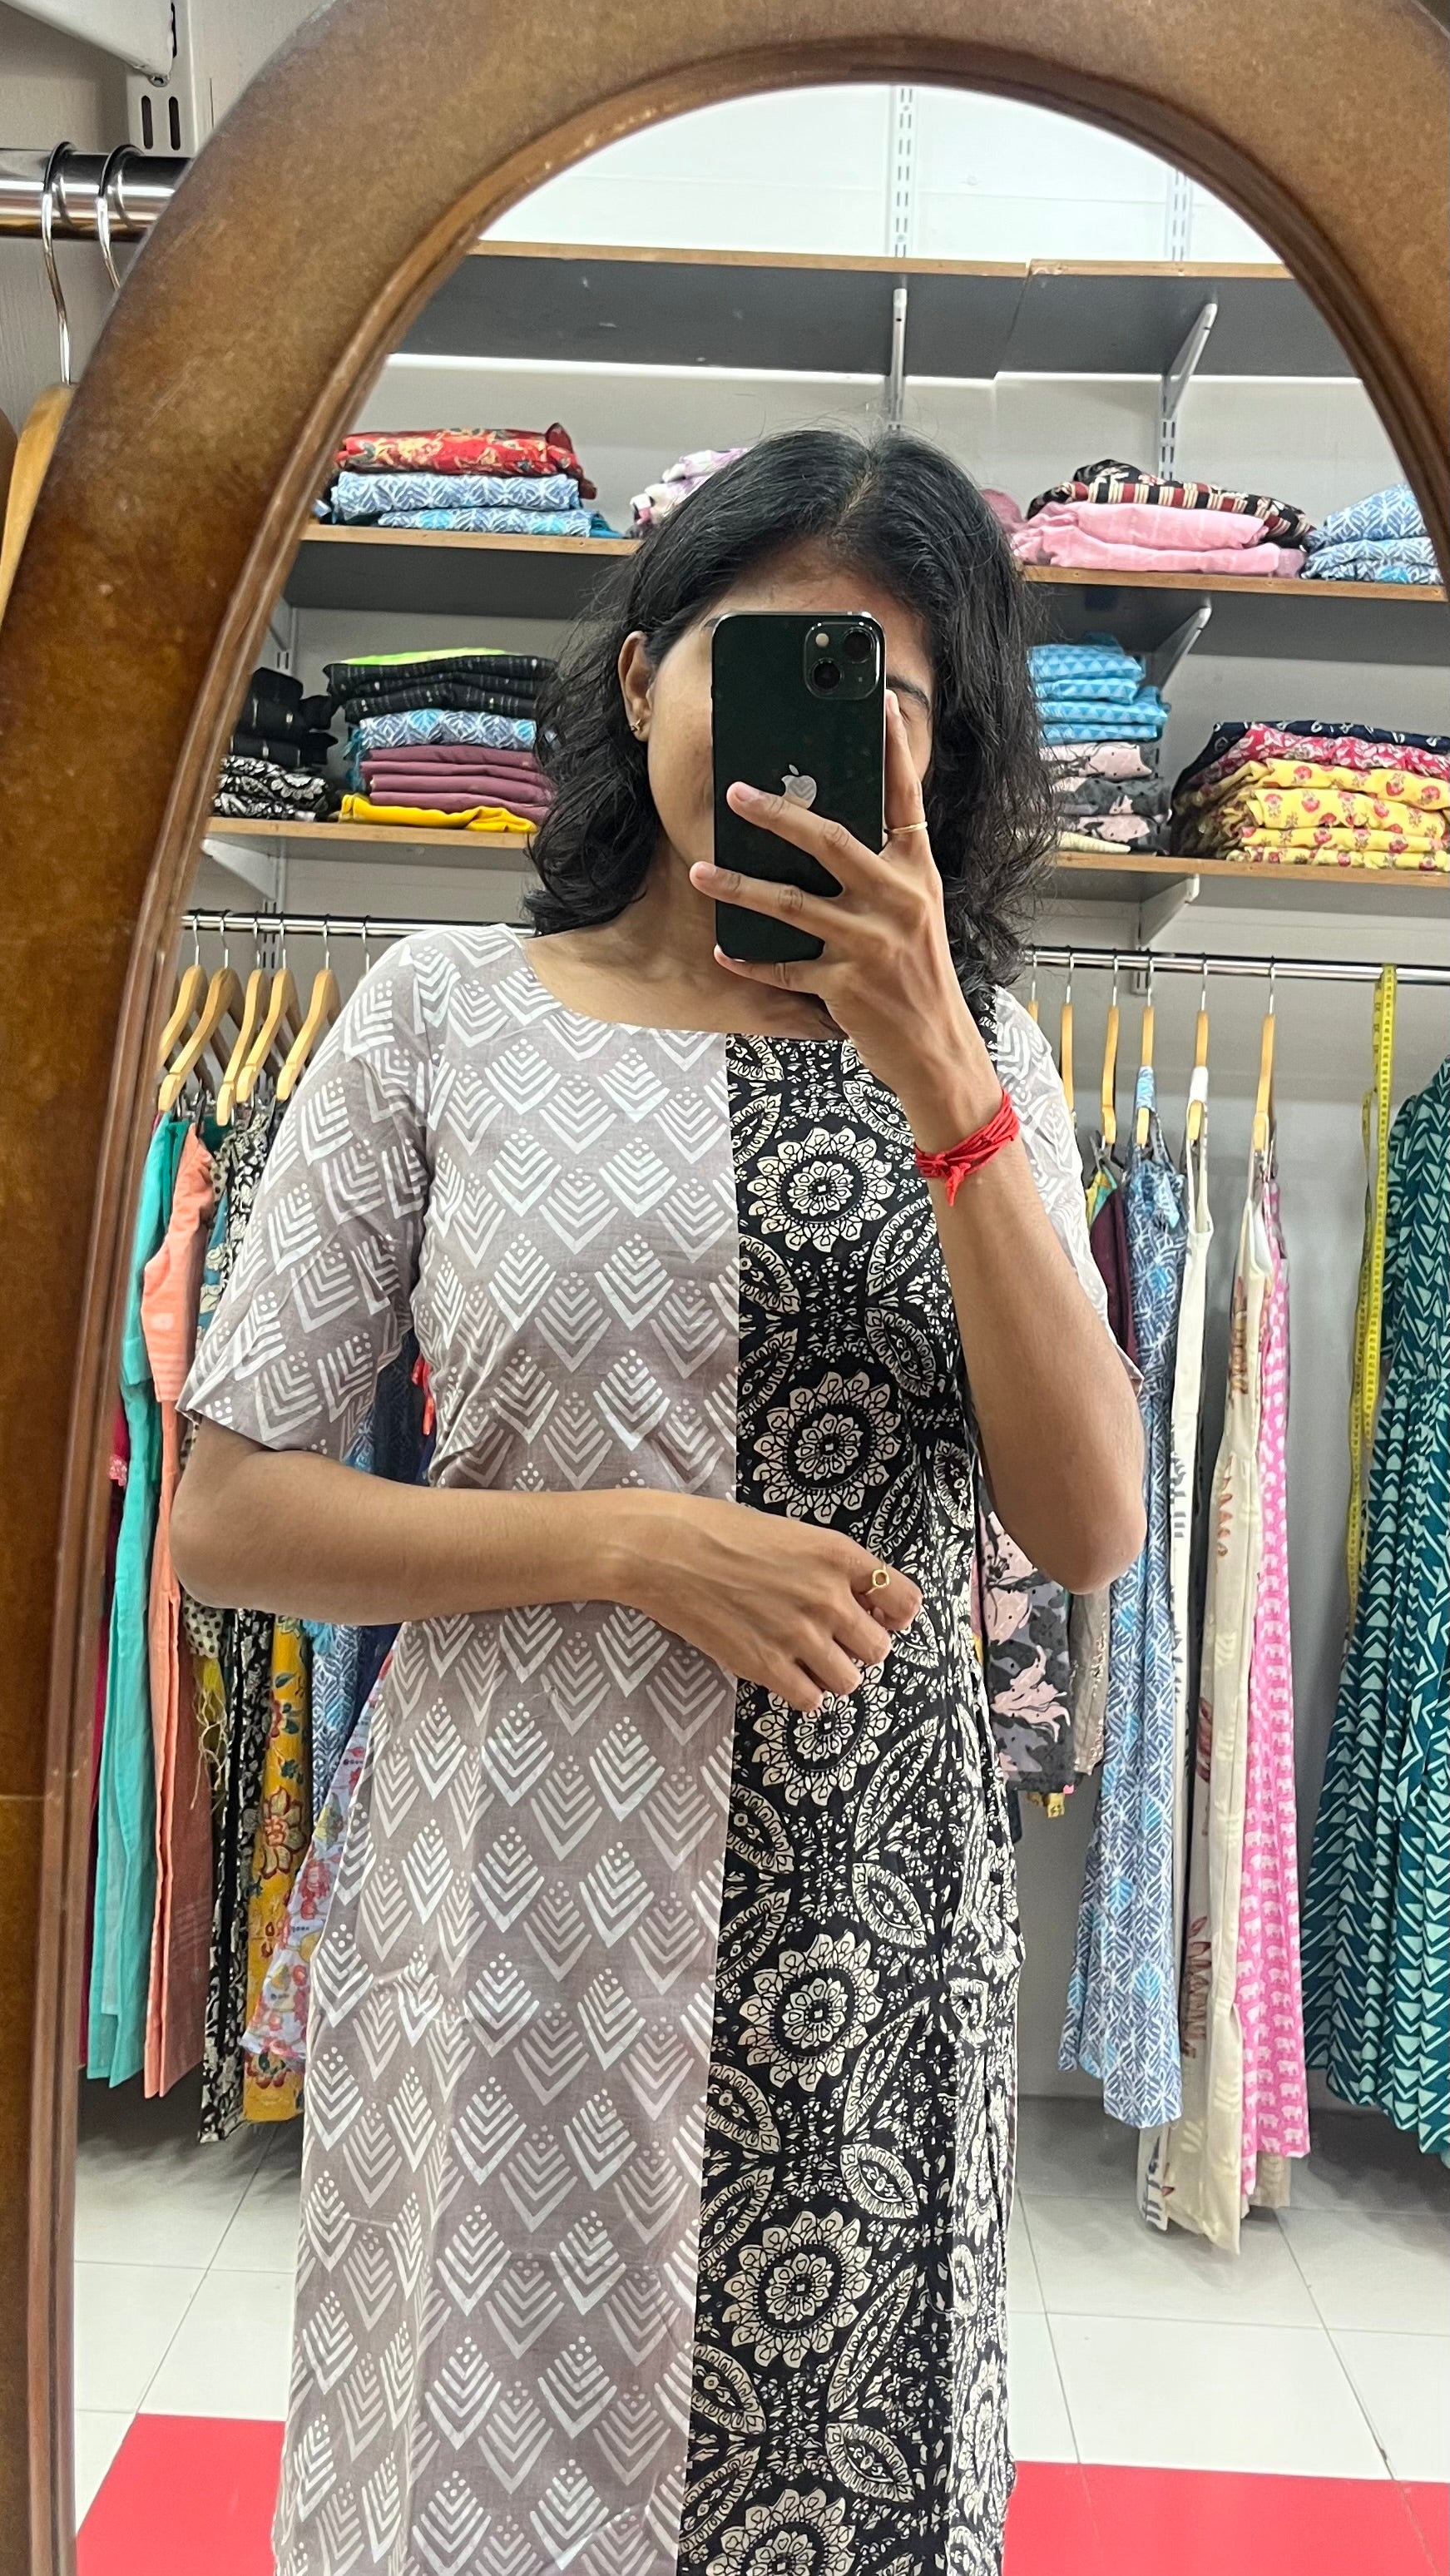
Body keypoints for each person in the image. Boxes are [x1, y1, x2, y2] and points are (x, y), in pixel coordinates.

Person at [173, 427, 1143, 2576]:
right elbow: (225, 1515)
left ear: (949, 743)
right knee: (471, 2489)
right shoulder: (439, 1020)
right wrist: (620, 1540)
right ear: (641, 674)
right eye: (768, 653)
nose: (833, 721)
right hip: (509, 1916)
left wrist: (942, 1075)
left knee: (835, 2496)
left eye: (894, 689)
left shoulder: (990, 1049)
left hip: (861, 1944)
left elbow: (1087, 1526)